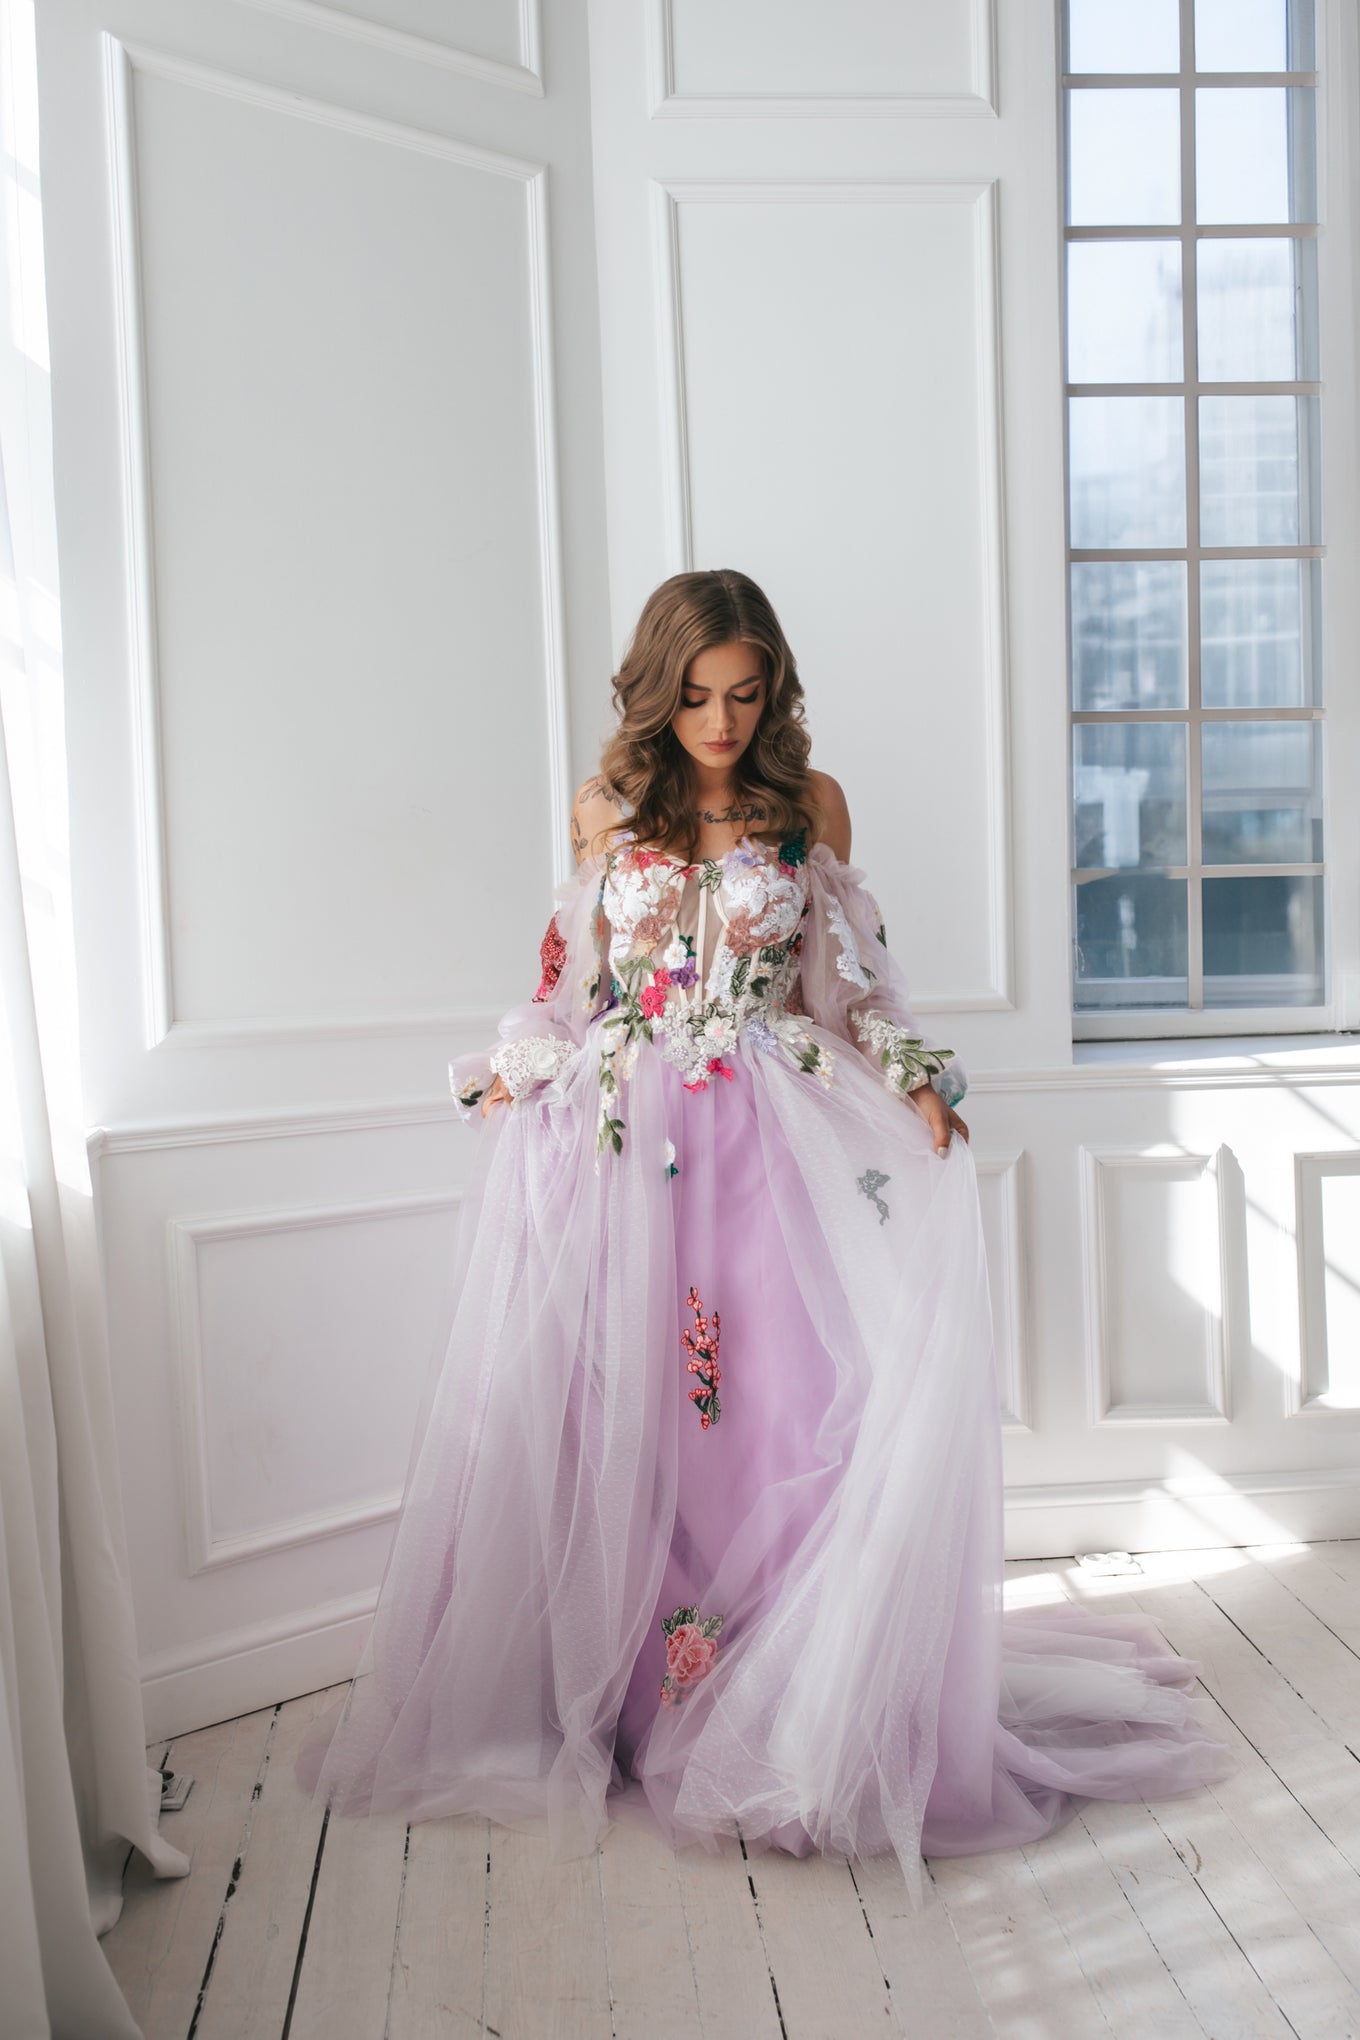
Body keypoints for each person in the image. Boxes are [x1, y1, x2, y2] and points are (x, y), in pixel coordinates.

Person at [298, 568, 1230, 1910]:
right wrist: (516, 1065)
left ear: (771, 692)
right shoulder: (606, 809)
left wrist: (913, 1079)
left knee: (774, 1419)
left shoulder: (810, 809)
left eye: (743, 695)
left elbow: (850, 985)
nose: (720, 721)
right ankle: (640, 1701)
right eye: (694, 695)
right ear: (656, 690)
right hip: (628, 1154)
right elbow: (569, 983)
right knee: (636, 1422)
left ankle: (785, 1711)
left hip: (769, 1142)